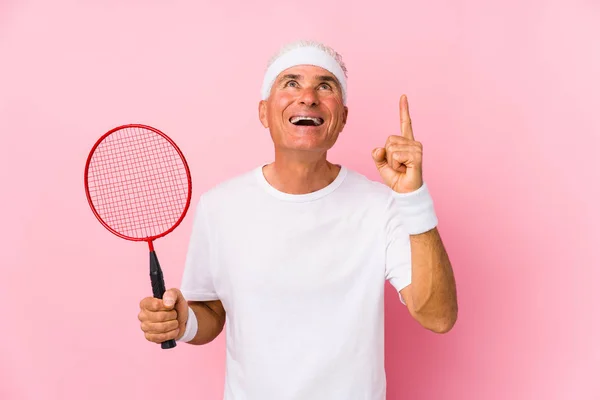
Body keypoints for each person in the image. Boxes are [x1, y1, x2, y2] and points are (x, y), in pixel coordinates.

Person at [137, 40, 458, 399]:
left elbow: (438, 317)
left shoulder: (381, 206)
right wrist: (183, 323)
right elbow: (211, 310)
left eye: (325, 85)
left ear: (343, 118)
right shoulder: (220, 207)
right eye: (290, 83)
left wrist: (413, 198)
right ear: (263, 112)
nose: (308, 96)